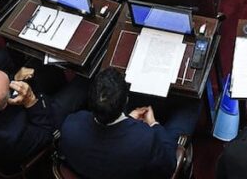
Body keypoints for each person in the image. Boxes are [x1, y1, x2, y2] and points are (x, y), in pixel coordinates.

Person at [59, 67, 200, 179]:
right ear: (126, 100)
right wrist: (154, 124)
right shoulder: (145, 139)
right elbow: (170, 163)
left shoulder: (70, 126)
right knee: (193, 103)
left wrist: (130, 120)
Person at [0, 69, 87, 172]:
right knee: (81, 86)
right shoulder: (12, 137)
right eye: (9, 84)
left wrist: (15, 77)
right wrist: (31, 101)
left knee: (47, 70)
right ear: (4, 106)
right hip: (39, 120)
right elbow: (45, 133)